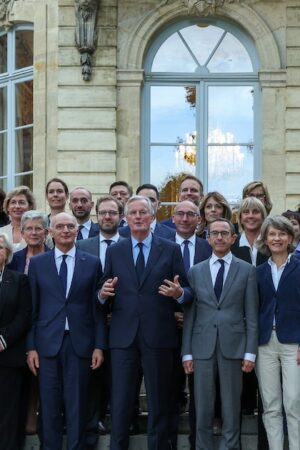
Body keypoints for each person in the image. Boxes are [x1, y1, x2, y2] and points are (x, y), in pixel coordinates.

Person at [99, 195, 192, 450]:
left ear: (152, 217)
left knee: (159, 401)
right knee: (120, 402)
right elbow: (104, 289)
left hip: (159, 336)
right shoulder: (115, 250)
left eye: (143, 212)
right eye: (133, 213)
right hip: (123, 337)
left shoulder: (170, 248)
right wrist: (102, 294)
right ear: (125, 219)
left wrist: (179, 294)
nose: (138, 217)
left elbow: (187, 291)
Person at [26, 212, 107, 450]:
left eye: (70, 226)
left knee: (77, 404)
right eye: (59, 226)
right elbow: (33, 308)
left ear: (77, 231)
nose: (65, 230)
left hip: (80, 344)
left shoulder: (91, 262)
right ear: (50, 232)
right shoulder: (39, 263)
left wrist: (99, 346)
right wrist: (30, 347)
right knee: (49, 405)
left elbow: (97, 309)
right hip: (46, 345)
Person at [182, 218, 258, 450]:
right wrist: (186, 353)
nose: (219, 237)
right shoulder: (195, 271)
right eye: (214, 233)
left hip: (234, 347)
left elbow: (252, 315)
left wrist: (250, 352)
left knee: (231, 406)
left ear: (233, 238)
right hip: (202, 346)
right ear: (208, 238)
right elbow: (190, 315)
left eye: (225, 233)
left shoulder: (247, 271)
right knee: (202, 407)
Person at [77, 195, 123, 446]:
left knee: (120, 378)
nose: (107, 217)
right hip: (91, 321)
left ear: (120, 216)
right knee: (93, 378)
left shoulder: (130, 242)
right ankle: (92, 424)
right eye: (103, 212)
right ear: (96, 216)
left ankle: (120, 422)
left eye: (112, 213)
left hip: (124, 322)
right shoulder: (83, 246)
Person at [255, 215, 300, 450]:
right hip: (265, 344)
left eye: (282, 233)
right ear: (266, 238)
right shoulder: (259, 272)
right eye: (272, 234)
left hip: (294, 342)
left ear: (290, 237)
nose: (277, 238)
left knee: (294, 402)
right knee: (270, 404)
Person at [170, 200, 212, 450]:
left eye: (191, 215)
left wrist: (191, 315)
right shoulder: (160, 246)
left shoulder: (209, 248)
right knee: (169, 390)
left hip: (201, 328)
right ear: (173, 218)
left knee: (200, 391)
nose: (185, 219)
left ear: (199, 220)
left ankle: (197, 441)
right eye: (181, 214)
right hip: (166, 328)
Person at [231, 197, 269, 449]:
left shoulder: (272, 244)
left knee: (267, 390)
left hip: (266, 320)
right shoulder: (233, 247)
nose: (251, 216)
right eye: (246, 213)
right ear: (240, 217)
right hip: (237, 322)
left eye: (257, 212)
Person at [0, 232, 32, 450]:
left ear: (8, 254)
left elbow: (24, 314)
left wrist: (3, 338)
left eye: (0, 247)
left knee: (8, 412)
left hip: (8, 357)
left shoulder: (19, 280)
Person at [1, 185, 36, 252]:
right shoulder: (1, 232)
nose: (17, 206)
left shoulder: (38, 231)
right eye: (13, 202)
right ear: (8, 207)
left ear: (30, 206)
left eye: (21, 202)